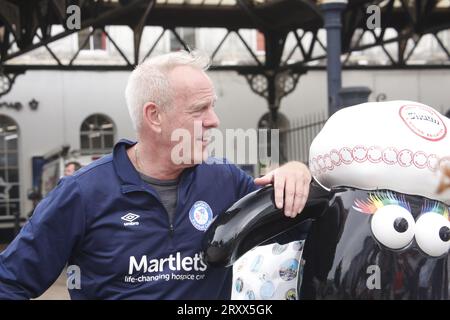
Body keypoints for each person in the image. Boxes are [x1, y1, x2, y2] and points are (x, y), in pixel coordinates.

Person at [0, 51, 311, 300]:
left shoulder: (226, 181)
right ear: (154, 116)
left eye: (212, 107)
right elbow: (10, 283)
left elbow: (303, 230)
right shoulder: (83, 192)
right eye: (199, 109)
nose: (214, 121)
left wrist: (299, 173)